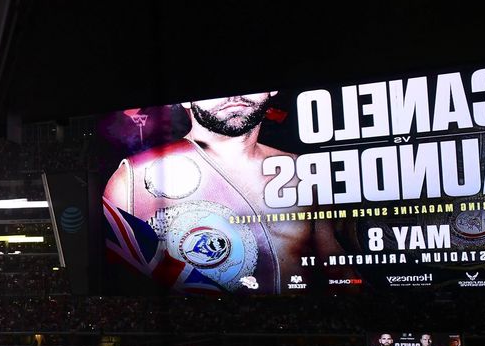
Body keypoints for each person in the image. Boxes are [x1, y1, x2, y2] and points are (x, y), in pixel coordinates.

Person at [103, 93, 344, 293]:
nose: (233, 95)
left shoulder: (307, 172)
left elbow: (337, 269)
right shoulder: (132, 179)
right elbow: (123, 285)